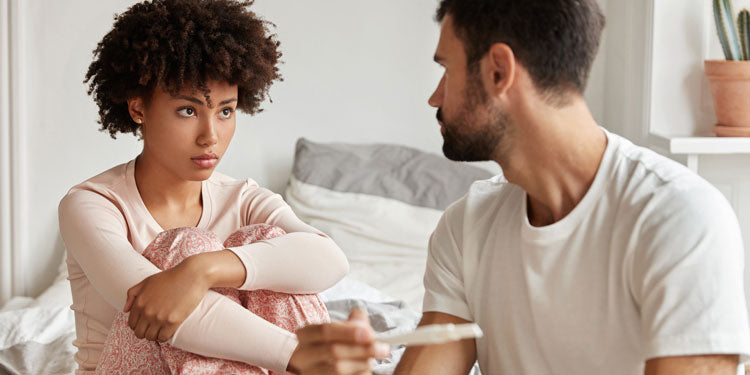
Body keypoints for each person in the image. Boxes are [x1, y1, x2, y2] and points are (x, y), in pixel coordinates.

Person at [289, 1, 750, 374]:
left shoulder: (679, 219)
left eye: (446, 69)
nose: (435, 97)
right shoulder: (466, 226)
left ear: (497, 71)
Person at [58, 0, 356, 373]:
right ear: (138, 109)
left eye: (226, 111)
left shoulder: (243, 198)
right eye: (188, 110)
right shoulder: (91, 204)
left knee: (264, 239)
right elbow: (158, 310)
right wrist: (292, 354)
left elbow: (330, 259)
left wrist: (204, 270)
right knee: (185, 246)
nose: (210, 136)